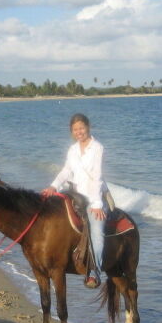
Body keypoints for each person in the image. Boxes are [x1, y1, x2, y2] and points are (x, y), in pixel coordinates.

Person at [41, 113, 110, 288]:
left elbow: (97, 176)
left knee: (97, 232)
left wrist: (96, 204)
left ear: (88, 127)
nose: (79, 132)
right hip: (75, 194)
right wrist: (53, 186)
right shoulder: (72, 150)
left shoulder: (97, 148)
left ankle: (94, 271)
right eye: (75, 129)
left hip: (93, 196)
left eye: (81, 128)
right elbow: (66, 170)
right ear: (72, 132)